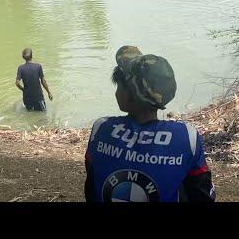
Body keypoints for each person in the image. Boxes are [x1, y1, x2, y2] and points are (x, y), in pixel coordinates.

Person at [84, 45, 216, 202]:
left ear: (129, 96)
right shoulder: (186, 137)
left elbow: (92, 187)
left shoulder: (102, 129)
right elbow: (203, 194)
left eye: (119, 86)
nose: (116, 92)